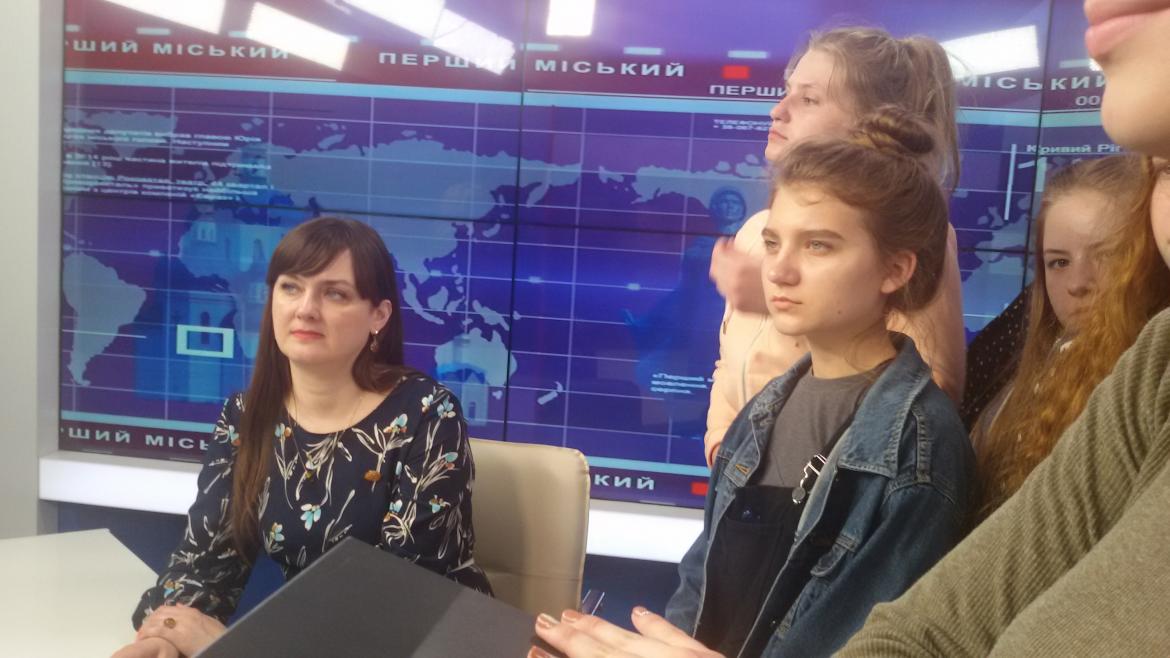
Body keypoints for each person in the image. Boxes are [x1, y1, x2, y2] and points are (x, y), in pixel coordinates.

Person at [532, 0, 1170, 653]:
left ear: (896, 267)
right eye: (773, 243)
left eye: (819, 246)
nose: (780, 270)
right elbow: (703, 594)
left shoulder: (915, 446)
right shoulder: (765, 412)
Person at [114, 217, 491, 658]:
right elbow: (205, 562)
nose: (306, 309)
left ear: (379, 316)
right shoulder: (246, 417)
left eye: (335, 293)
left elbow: (395, 607)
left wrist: (234, 649)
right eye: (291, 287)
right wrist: (164, 635)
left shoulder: (427, 414)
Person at [704, 26, 967, 466]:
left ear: (873, 120)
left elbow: (931, 392)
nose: (777, 111)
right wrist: (721, 448)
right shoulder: (755, 231)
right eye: (785, 92)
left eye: (808, 99)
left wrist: (775, 299)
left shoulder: (914, 235)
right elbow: (729, 366)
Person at [974, 155, 1170, 519]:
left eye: (1107, 255)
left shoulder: (1149, 384)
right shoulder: (1025, 380)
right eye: (1059, 262)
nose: (1078, 284)